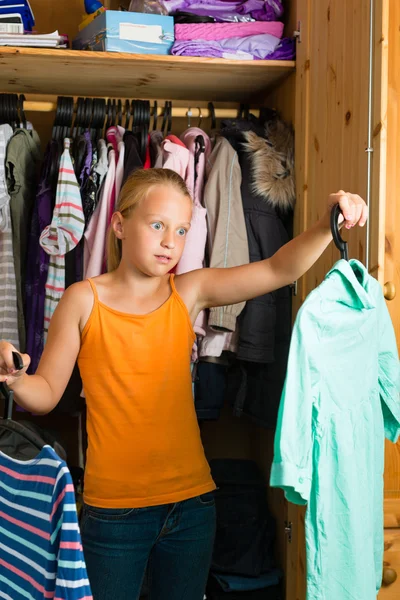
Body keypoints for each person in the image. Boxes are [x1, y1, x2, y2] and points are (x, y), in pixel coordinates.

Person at [0, 168, 368, 600]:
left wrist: (330, 222)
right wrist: (15, 377)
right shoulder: (83, 299)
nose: (170, 242)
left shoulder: (188, 292)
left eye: (181, 230)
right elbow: (44, 395)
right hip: (115, 514)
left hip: (192, 507)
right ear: (119, 225)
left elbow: (278, 269)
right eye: (157, 225)